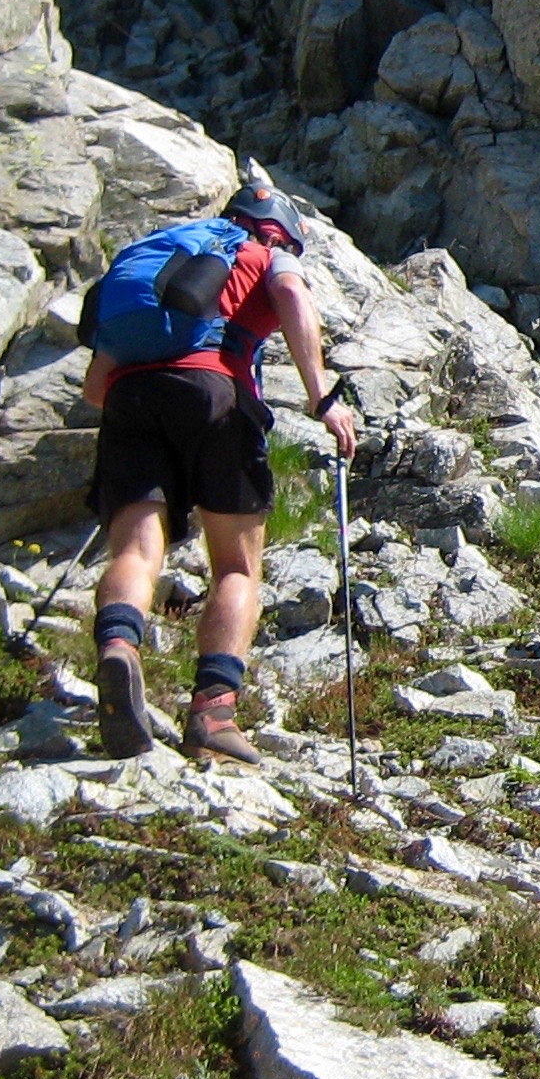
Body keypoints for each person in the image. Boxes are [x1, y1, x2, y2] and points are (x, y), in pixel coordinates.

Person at [82, 177, 358, 765]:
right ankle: (213, 711)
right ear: (280, 227)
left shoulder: (167, 252)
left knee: (135, 548)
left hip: (130, 396)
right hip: (217, 392)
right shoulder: (265, 252)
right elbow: (292, 299)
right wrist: (323, 398)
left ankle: (119, 645)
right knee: (236, 565)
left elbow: (93, 388)